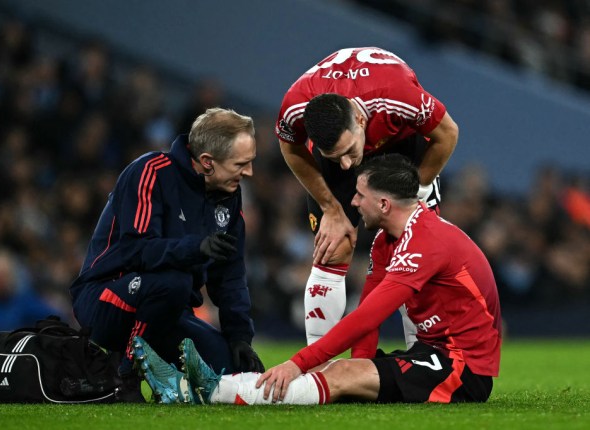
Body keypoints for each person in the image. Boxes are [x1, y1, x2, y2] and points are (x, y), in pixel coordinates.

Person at [132, 154, 501, 405]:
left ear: (385, 205)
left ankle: (210, 391)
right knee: (339, 372)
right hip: (434, 353)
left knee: (337, 373)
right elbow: (367, 319)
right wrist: (362, 365)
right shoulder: (389, 241)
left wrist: (299, 362)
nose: (352, 203)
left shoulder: (426, 243)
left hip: (464, 368)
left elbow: (367, 318)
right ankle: (207, 386)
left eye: (360, 195)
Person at [70, 107, 265, 403]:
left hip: (168, 311)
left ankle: (145, 362)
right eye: (241, 164)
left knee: (230, 368)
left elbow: (230, 275)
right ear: (207, 162)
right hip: (107, 297)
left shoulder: (228, 195)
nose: (249, 173)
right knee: (172, 282)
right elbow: (135, 249)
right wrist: (195, 247)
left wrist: (239, 336)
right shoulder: (150, 172)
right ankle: (124, 374)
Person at [275, 47, 459, 344]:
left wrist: (418, 189)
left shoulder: (397, 93)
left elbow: (448, 133)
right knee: (332, 247)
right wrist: (330, 207)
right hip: (347, 144)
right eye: (335, 156)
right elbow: (290, 148)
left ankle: (423, 355)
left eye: (348, 151)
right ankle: (319, 375)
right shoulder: (296, 105)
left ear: (360, 121)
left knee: (415, 250)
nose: (348, 164)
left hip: (401, 145)